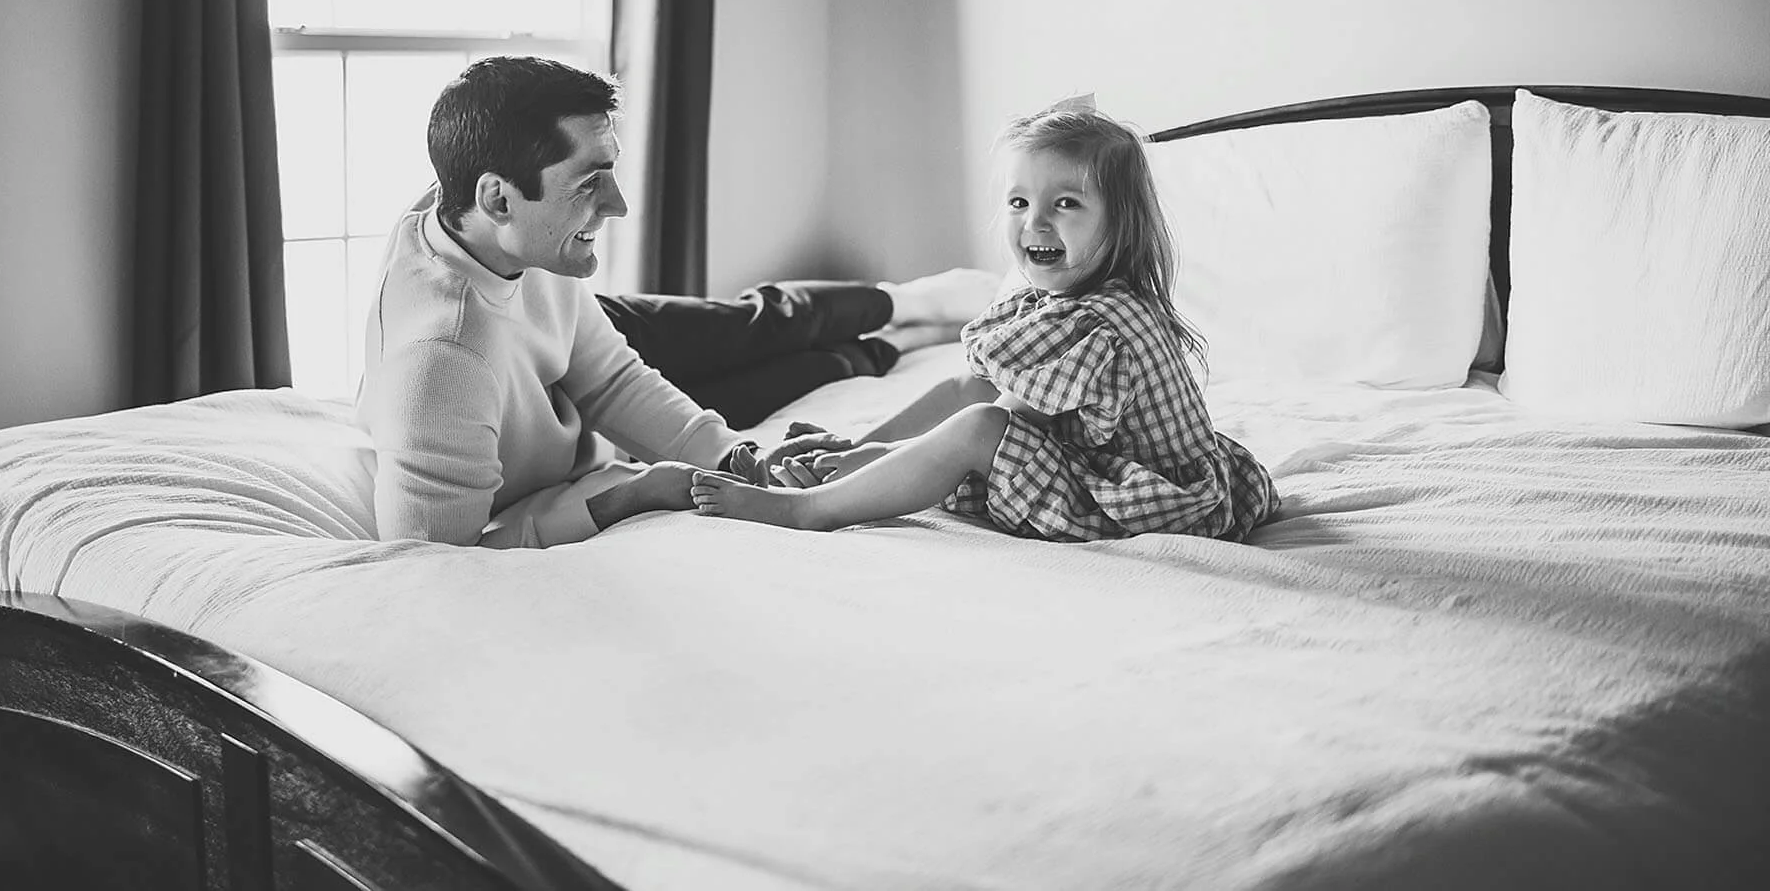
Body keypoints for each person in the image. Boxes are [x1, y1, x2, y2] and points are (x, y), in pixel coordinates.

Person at [356, 54, 996, 549]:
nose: (618, 205)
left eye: (611, 172)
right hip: (527, 397)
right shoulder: (442, 365)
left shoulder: (501, 225)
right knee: (769, 349)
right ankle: (891, 338)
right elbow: (434, 566)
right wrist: (623, 500)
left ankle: (899, 313)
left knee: (755, 328)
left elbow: (610, 378)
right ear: (497, 200)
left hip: (572, 368)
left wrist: (729, 456)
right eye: (587, 183)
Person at [689, 101, 1280, 543]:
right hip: (1117, 468)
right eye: (1020, 203)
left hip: (1146, 500)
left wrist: (856, 473)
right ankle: (849, 463)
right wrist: (862, 446)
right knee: (967, 400)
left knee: (976, 429)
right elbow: (969, 386)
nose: (1036, 224)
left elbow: (991, 422)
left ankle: (809, 511)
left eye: (1066, 204)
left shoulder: (1098, 329)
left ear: (1121, 223)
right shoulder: (1062, 309)